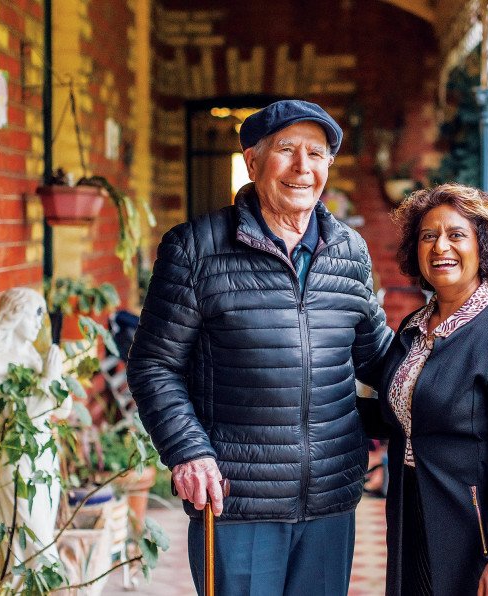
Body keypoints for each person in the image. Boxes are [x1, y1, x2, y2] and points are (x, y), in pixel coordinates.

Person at [126, 99, 392, 595]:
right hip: (235, 500)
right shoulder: (195, 248)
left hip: (329, 498)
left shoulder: (349, 250)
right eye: (286, 150)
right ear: (251, 161)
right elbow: (154, 365)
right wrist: (188, 451)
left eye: (316, 154)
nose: (302, 168)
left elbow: (377, 356)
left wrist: (448, 360)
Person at [378, 184, 488, 596]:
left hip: (478, 534)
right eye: (428, 236)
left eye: (456, 235)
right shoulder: (412, 330)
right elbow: (398, 417)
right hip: (414, 519)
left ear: (482, 247)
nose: (441, 246)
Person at [0, 287, 71, 572]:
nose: (39, 325)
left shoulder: (31, 357)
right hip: (16, 459)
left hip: (43, 457)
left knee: (30, 544)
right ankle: (57, 586)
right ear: (14, 315)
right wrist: (48, 377)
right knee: (35, 540)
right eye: (34, 316)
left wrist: (57, 376)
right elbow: (18, 417)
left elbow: (62, 410)